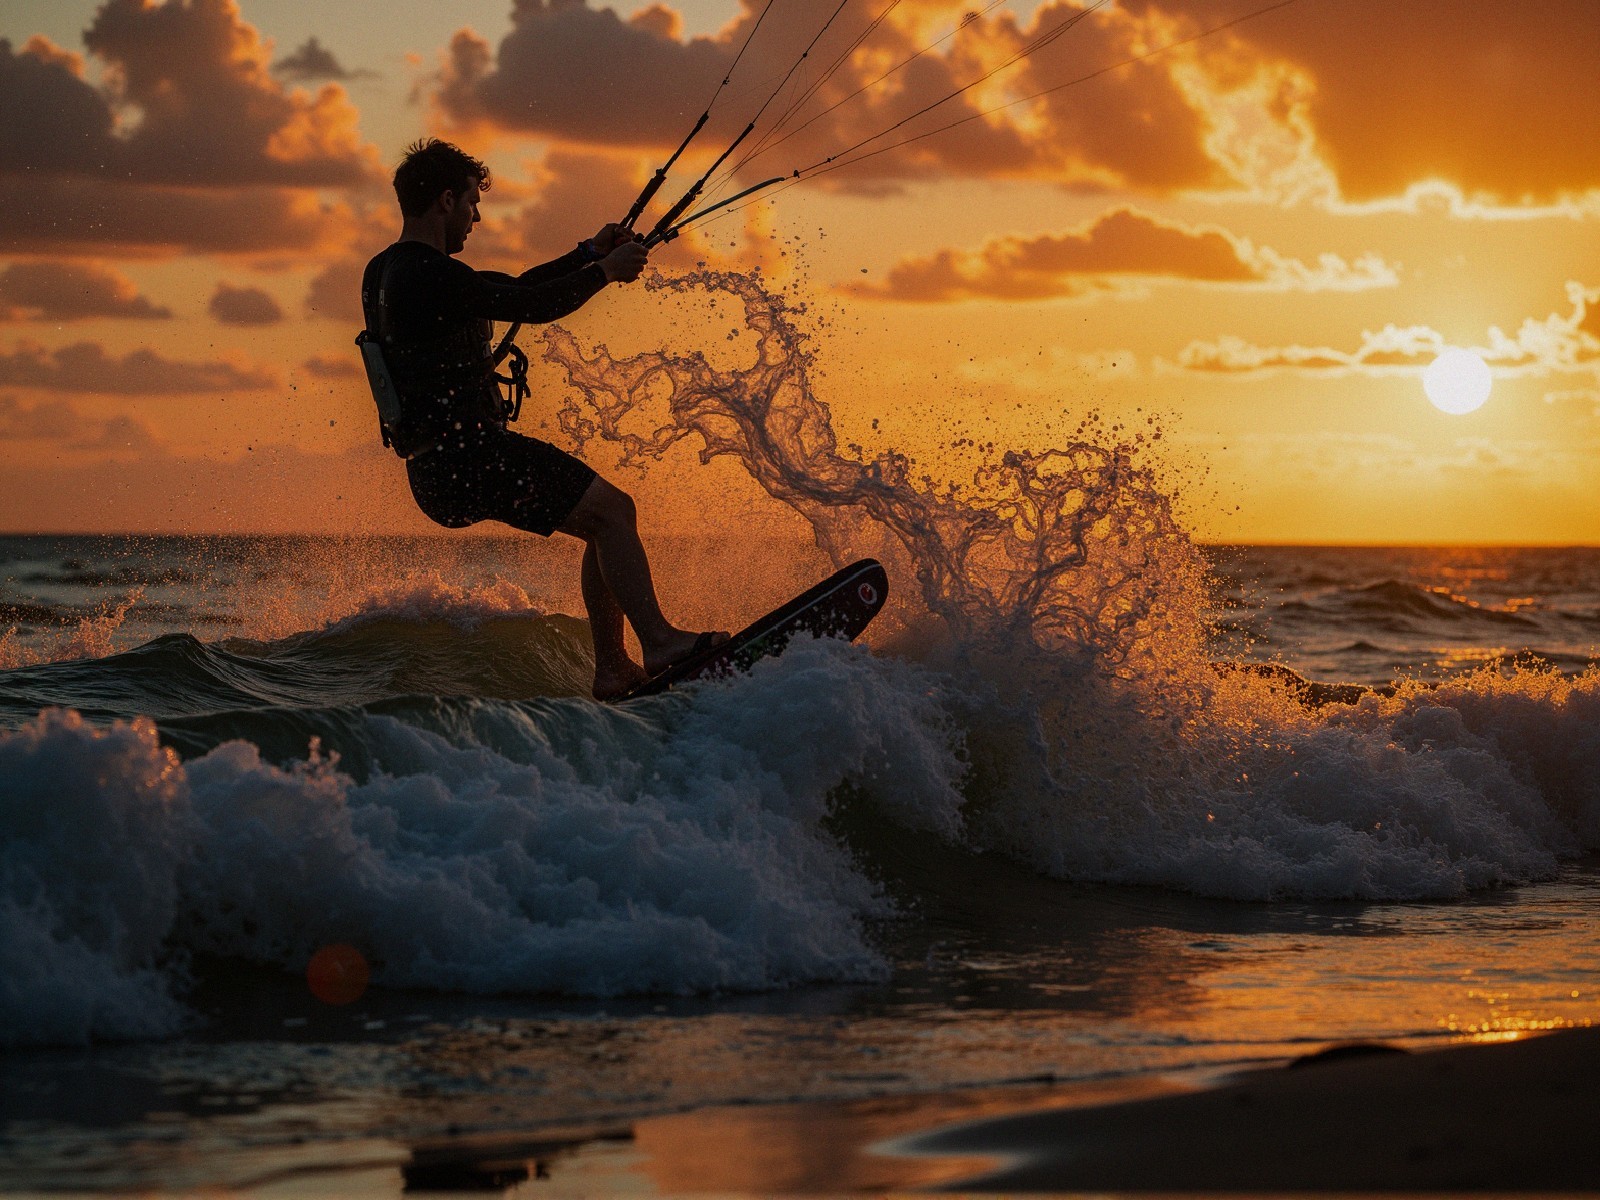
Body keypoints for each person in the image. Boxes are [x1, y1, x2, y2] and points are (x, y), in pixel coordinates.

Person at [361, 138, 724, 700]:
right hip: (469, 458)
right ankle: (659, 643)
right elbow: (532, 306)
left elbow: (513, 288)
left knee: (602, 524)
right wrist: (604, 274)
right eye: (470, 205)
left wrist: (587, 254)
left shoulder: (387, 271)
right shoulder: (428, 275)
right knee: (614, 511)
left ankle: (613, 669)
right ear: (444, 200)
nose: (476, 217)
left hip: (437, 468)